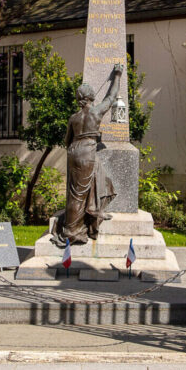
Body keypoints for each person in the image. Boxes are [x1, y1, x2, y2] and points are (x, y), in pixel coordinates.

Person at [54, 64, 123, 245]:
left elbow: (66, 140)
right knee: (78, 194)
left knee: (81, 188)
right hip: (87, 151)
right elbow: (111, 96)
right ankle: (72, 231)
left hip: (74, 151)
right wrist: (117, 75)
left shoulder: (73, 118)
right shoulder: (96, 111)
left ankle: (94, 211)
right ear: (91, 97)